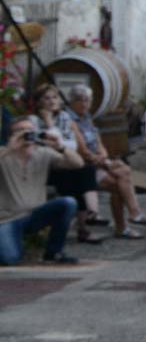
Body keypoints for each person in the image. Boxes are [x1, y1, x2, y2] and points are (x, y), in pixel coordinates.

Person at [64, 84, 146, 238]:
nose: (84, 104)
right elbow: (82, 149)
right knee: (119, 181)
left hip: (96, 164)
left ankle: (129, 219)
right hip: (82, 167)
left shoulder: (86, 117)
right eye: (80, 100)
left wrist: (103, 155)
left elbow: (98, 141)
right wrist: (102, 161)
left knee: (123, 173)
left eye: (87, 100)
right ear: (72, 102)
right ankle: (130, 218)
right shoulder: (70, 120)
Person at [1, 115, 83, 265]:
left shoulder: (43, 152)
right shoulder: (4, 154)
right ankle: (13, 243)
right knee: (9, 259)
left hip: (34, 214)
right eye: (20, 131)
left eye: (30, 130)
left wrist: (61, 146)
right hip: (6, 219)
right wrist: (10, 148)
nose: (26, 134)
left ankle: (53, 252)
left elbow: (77, 164)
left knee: (68, 203)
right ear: (11, 135)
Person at [34, 87, 104, 246]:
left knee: (84, 170)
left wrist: (57, 143)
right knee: (80, 174)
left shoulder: (64, 117)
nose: (52, 101)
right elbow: (45, 143)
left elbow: (71, 144)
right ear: (39, 102)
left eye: (55, 97)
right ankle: (88, 221)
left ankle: (90, 217)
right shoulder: (33, 120)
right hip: (43, 166)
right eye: (47, 98)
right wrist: (49, 122)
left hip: (63, 163)